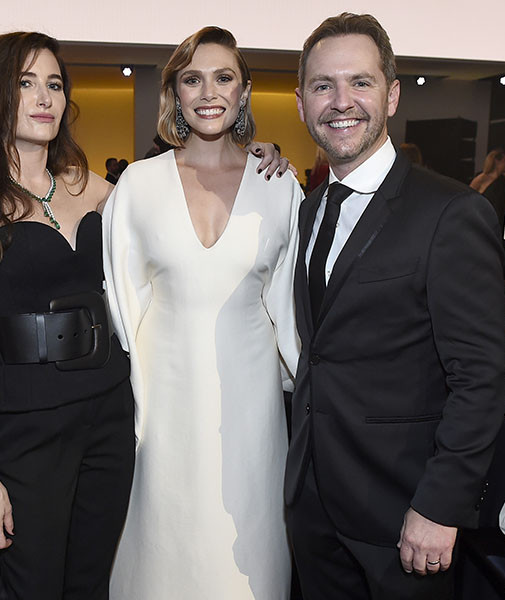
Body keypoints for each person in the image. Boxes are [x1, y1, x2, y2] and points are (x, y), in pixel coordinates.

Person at [0, 31, 290, 599]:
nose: (45, 98)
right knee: (33, 585)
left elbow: (173, 207)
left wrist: (252, 151)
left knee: (93, 583)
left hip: (108, 413)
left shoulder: (89, 186)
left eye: (54, 84)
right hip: (25, 422)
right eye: (25, 83)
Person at [285, 13, 505, 600]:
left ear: (391, 95)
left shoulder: (450, 213)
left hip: (403, 515)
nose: (341, 102)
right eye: (323, 86)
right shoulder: (309, 210)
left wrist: (440, 505)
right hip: (314, 507)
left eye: (360, 82)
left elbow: (481, 378)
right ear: (302, 104)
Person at [104, 26, 301, 600]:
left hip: (252, 411)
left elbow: (293, 312)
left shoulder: (279, 185)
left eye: (223, 77)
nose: (209, 92)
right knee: (160, 555)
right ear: (175, 93)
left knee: (248, 559)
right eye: (193, 79)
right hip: (162, 408)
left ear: (244, 92)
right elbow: (121, 303)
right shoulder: (138, 185)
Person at [470, 149, 505, 231]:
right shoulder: (480, 179)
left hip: (502, 220)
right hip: (485, 221)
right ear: (496, 161)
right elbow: (468, 199)